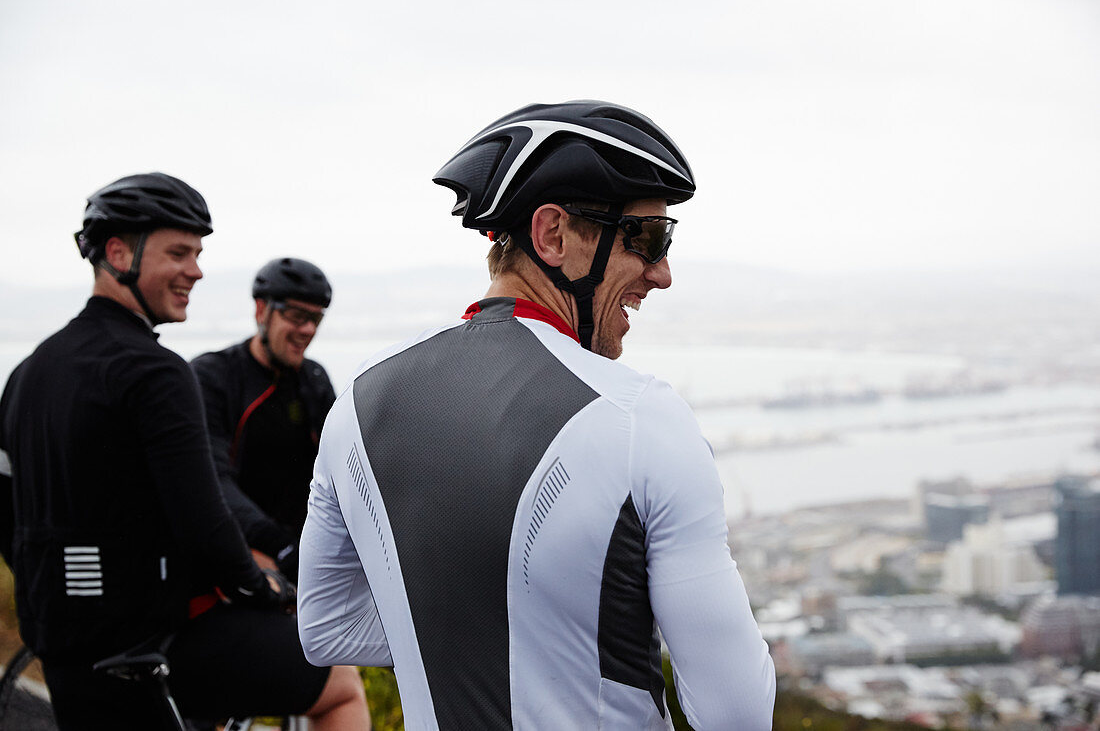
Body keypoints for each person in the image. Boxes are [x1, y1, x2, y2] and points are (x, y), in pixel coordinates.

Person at [297, 101, 776, 729]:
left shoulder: (358, 403)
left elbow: (326, 628)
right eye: (648, 237)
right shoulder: (641, 418)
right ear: (553, 235)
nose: (661, 274)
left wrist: (490, 637)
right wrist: (558, 638)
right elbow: (735, 710)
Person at [0, 173, 369, 730]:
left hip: (65, 650)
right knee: (339, 684)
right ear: (118, 252)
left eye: (197, 254)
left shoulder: (28, 372)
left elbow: (8, 507)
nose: (196, 270)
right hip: (152, 645)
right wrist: (258, 582)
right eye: (179, 253)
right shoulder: (156, 371)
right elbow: (203, 515)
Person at [191, 258, 336, 581]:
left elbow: (338, 471)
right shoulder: (214, 377)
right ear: (261, 311)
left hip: (304, 550)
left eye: (316, 319)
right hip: (240, 547)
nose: (308, 330)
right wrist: (278, 545)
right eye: (297, 317)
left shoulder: (314, 380)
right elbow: (212, 478)